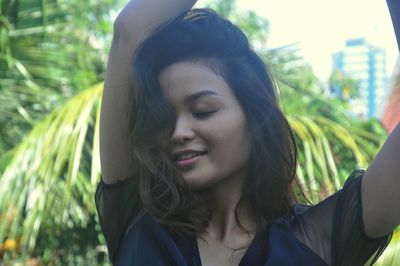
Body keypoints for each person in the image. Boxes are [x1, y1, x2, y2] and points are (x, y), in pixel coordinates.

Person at [95, 0, 399, 265]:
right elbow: (131, 30)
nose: (178, 132)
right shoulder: (135, 213)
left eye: (203, 110)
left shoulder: (317, 239)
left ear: (254, 117)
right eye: (163, 118)